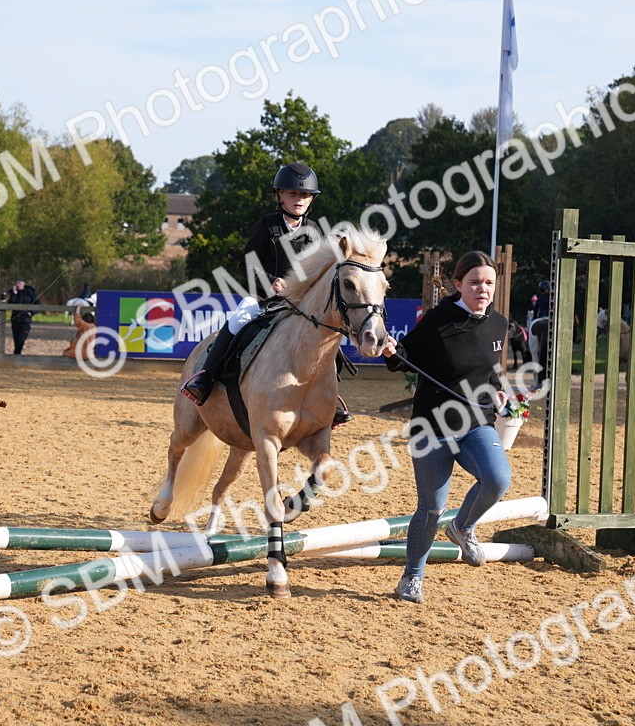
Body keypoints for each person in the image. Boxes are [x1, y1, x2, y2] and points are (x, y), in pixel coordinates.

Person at [380, 251, 512, 602]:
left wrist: (498, 391)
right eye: (474, 282)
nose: (482, 289)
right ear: (458, 285)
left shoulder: (498, 324)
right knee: (432, 508)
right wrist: (392, 351)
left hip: (476, 424)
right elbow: (405, 356)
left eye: (488, 283)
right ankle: (412, 577)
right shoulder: (438, 320)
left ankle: (462, 528)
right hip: (432, 428)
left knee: (498, 479)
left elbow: (489, 370)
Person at [181, 162, 350, 426]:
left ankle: (330, 398)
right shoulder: (267, 226)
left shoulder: (316, 231)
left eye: (305, 195)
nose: (299, 199)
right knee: (238, 321)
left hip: (301, 305)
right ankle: (205, 378)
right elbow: (245, 265)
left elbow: (322, 274)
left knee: (329, 339)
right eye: (293, 194)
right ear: (280, 196)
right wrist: (270, 282)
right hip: (263, 300)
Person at [5, 278, 37, 355]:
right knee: (16, 341)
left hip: (25, 321)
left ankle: (16, 355)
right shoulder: (14, 293)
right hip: (15, 320)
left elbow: (37, 303)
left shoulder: (30, 292)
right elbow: (10, 304)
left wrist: (31, 312)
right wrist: (14, 294)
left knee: (21, 341)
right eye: (16, 283)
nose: (17, 285)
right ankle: (17, 356)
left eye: (19, 283)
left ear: (23, 283)